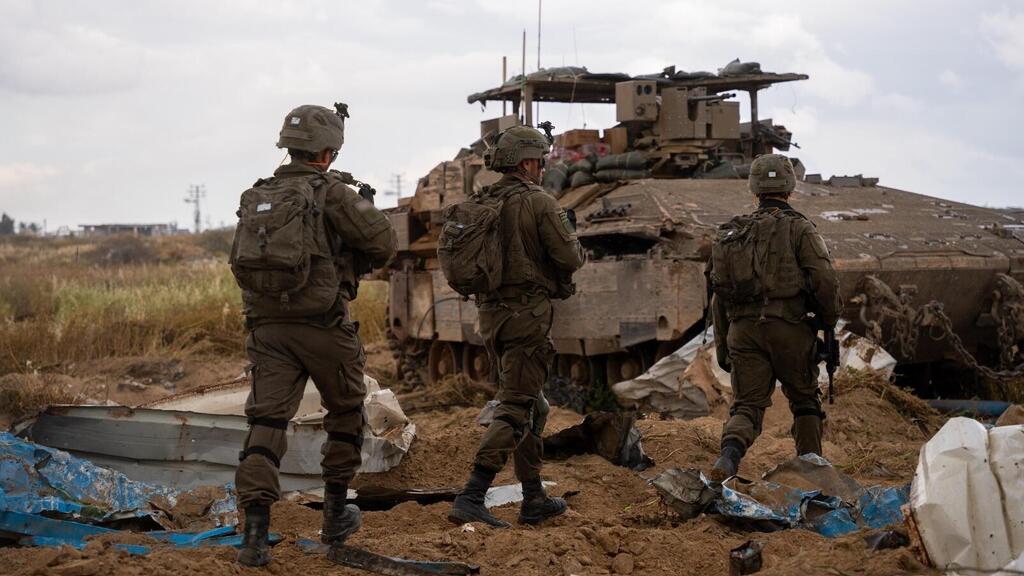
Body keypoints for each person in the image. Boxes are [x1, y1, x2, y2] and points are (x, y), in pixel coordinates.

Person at [230, 104, 395, 566]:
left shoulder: (257, 196)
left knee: (265, 425)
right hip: (324, 325)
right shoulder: (334, 193)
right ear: (327, 151)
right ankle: (336, 516)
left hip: (268, 331)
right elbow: (384, 245)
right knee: (345, 413)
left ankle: (255, 536)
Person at [447, 126, 586, 527]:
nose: (543, 167)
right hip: (526, 315)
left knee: (533, 402)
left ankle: (533, 496)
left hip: (492, 314)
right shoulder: (539, 203)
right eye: (540, 160)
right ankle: (473, 494)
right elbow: (570, 258)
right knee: (517, 404)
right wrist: (573, 237)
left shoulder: (484, 200)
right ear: (527, 162)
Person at [708, 154, 840, 482]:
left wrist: (724, 346)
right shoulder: (800, 228)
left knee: (747, 406)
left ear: (754, 191)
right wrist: (828, 321)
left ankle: (728, 458)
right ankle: (811, 472)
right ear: (790, 189)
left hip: (742, 330)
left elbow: (718, 297)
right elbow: (823, 278)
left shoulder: (732, 235)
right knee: (805, 400)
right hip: (790, 328)